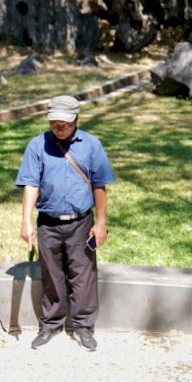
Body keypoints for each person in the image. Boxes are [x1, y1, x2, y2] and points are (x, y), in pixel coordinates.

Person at [16, 95, 115, 351]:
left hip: (81, 222)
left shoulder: (91, 145)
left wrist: (101, 222)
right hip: (48, 222)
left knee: (83, 275)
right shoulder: (37, 146)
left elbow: (99, 185)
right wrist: (26, 220)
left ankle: (84, 326)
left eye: (65, 124)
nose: (59, 128)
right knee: (51, 274)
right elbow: (31, 184)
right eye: (54, 124)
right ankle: (50, 324)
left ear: (76, 120)